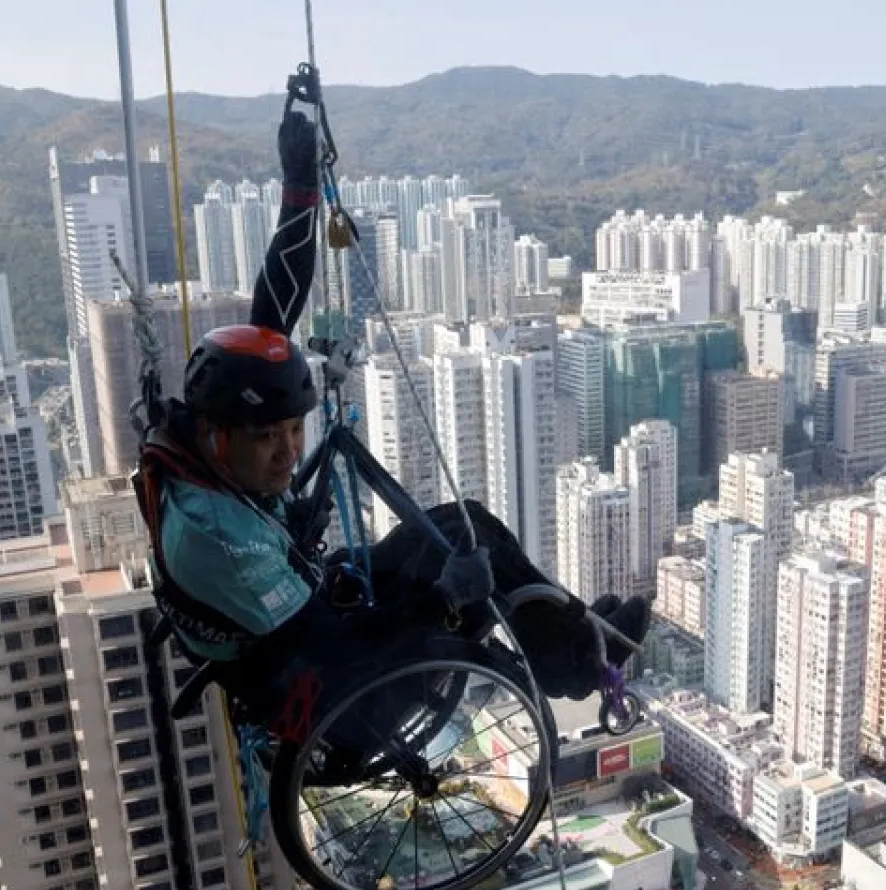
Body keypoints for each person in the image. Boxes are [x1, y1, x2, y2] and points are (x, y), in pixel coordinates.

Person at [136, 108, 648, 725]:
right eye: (267, 440)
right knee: (467, 565)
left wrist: (299, 187)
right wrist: (442, 597)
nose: (287, 452)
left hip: (317, 612)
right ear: (220, 435)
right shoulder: (218, 538)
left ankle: (579, 643)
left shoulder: (207, 445)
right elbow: (333, 649)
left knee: (468, 526)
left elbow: (276, 303)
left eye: (294, 431)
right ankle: (577, 660)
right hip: (342, 691)